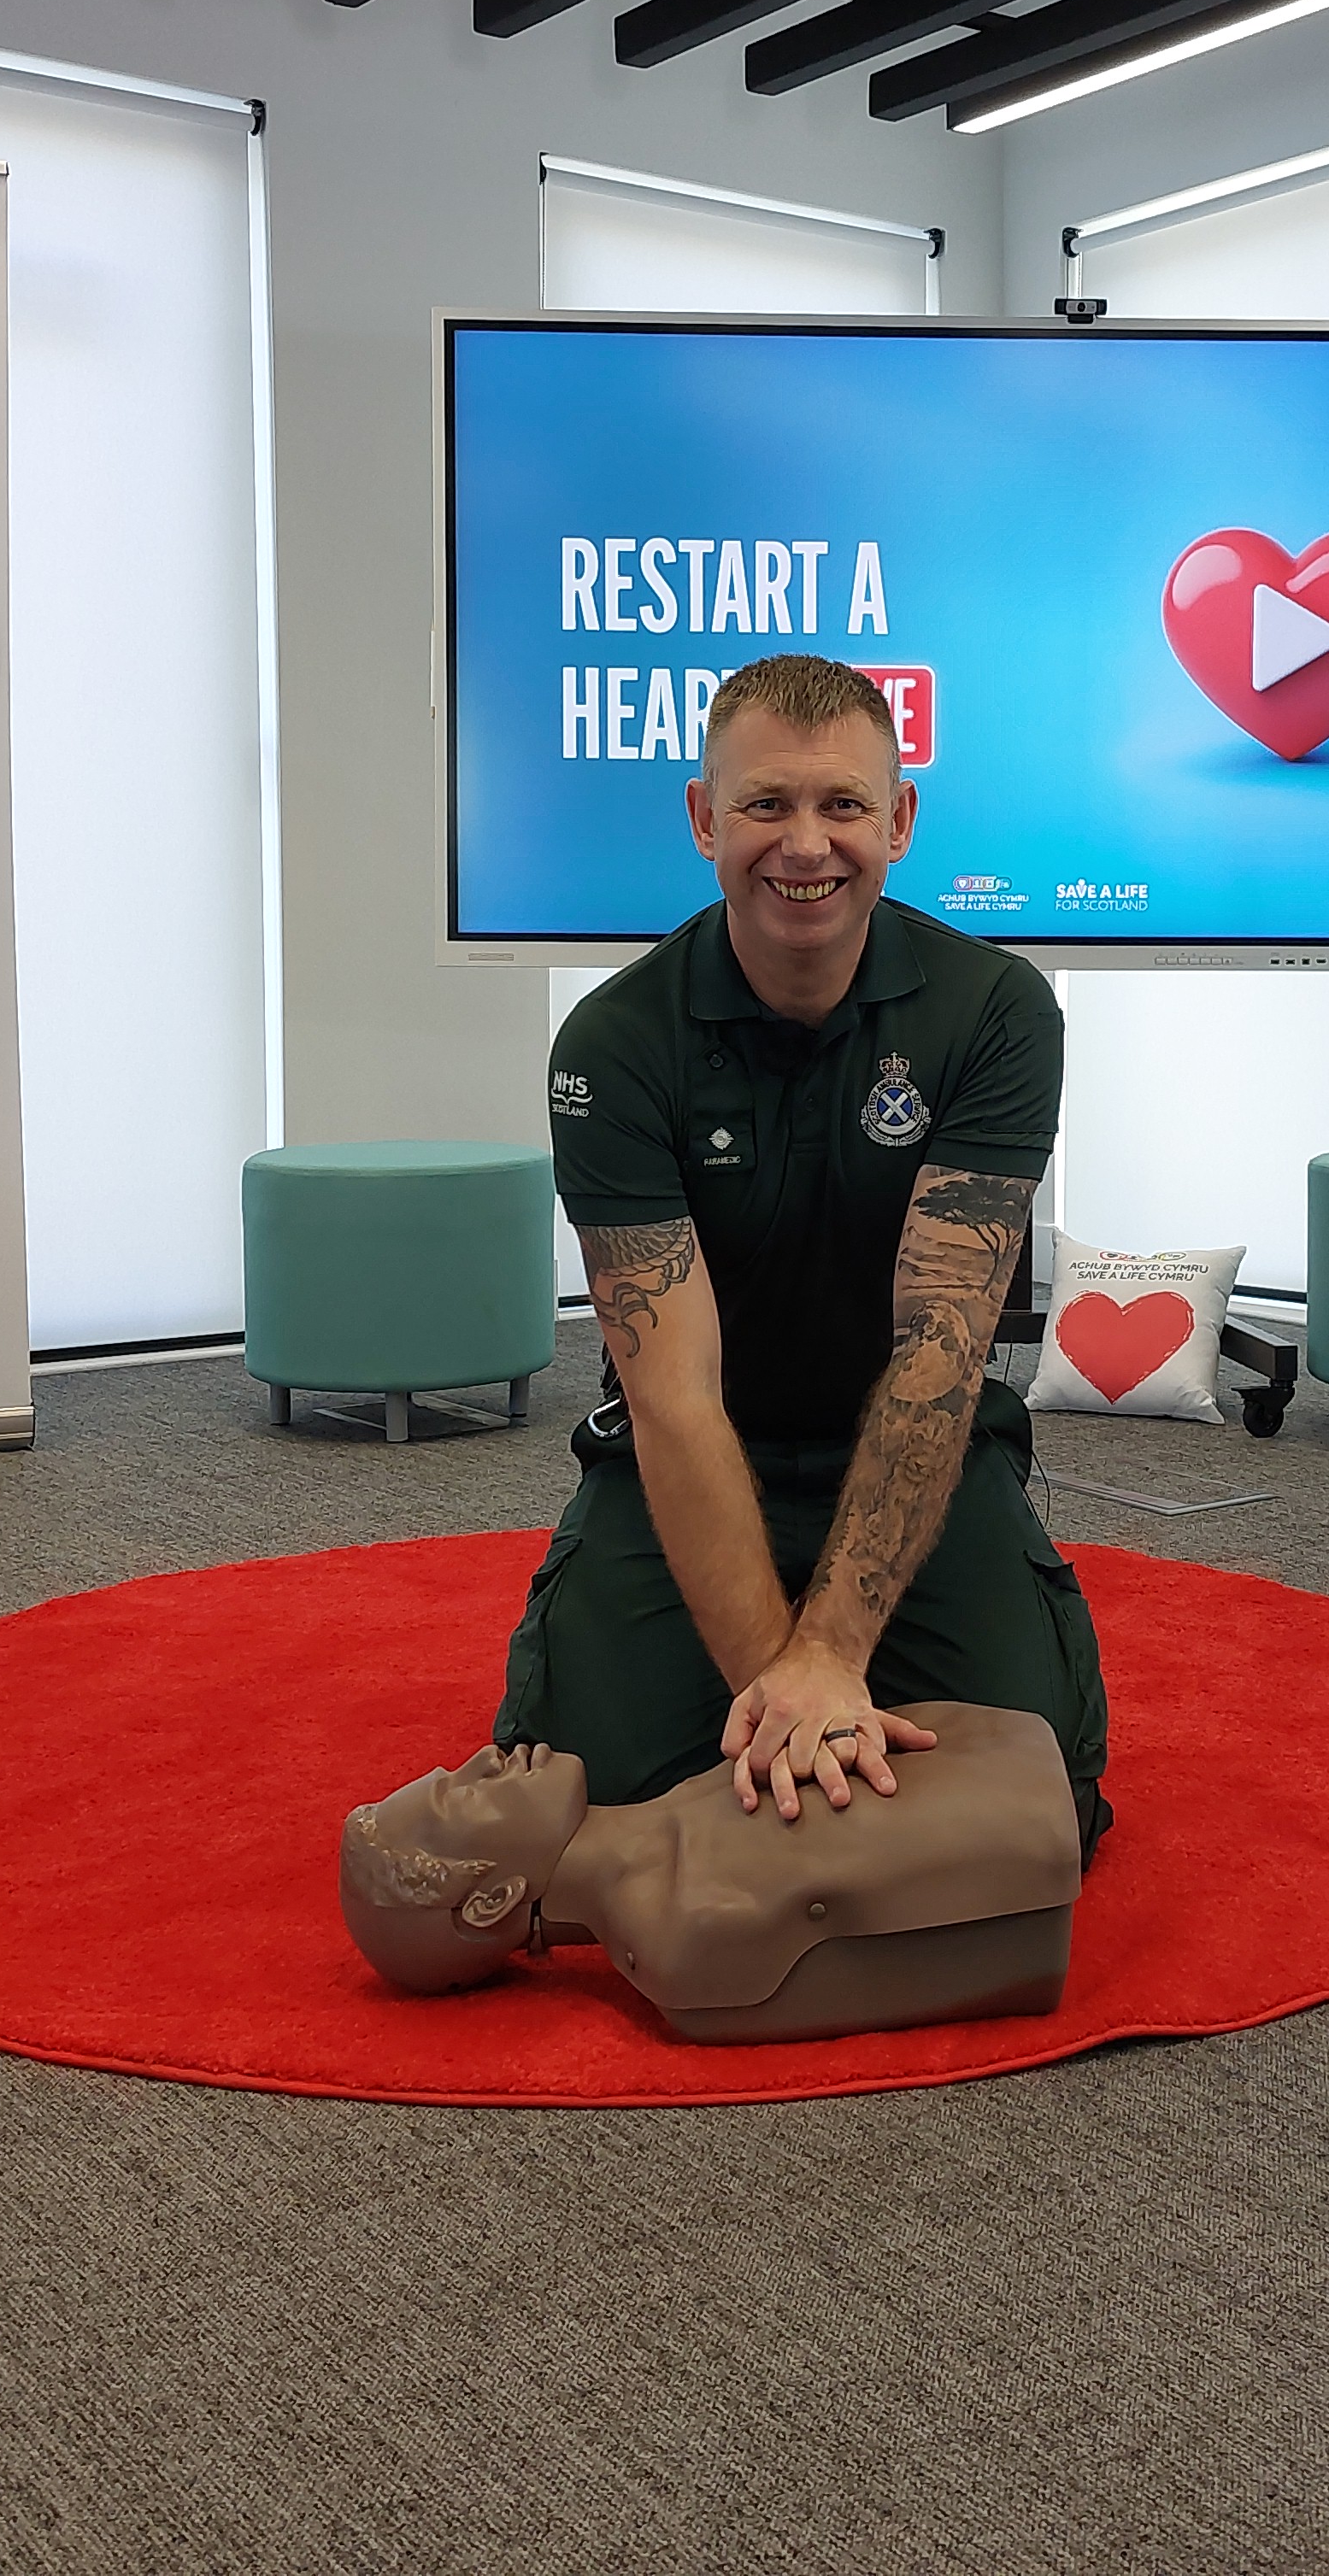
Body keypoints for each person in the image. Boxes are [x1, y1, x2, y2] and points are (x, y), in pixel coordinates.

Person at [497, 654, 1109, 1857]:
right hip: (690, 1449)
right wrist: (789, 1696)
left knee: (1044, 1809)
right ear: (704, 818)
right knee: (597, 1790)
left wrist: (830, 1652)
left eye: (842, 806)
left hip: (912, 1440)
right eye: (766, 804)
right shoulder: (616, 1042)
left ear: (900, 820)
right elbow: (670, 1397)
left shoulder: (994, 1012)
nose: (805, 845)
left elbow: (940, 1354)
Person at [340, 1707, 1081, 2042]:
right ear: (494, 1899)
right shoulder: (686, 1924)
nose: (483, 1758)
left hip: (1012, 1768)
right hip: (1033, 1808)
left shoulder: (672, 1819)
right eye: (460, 1795)